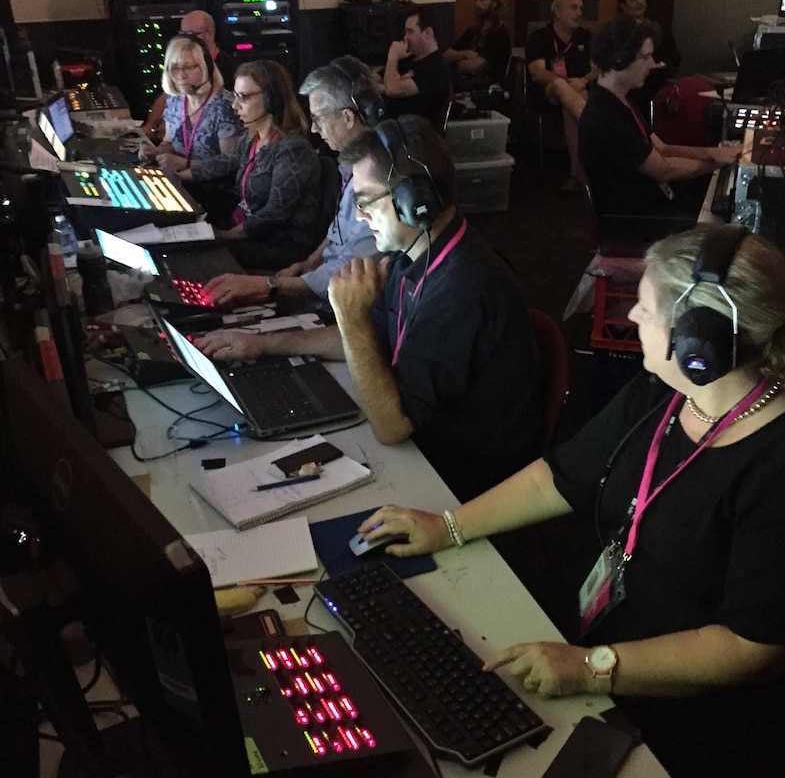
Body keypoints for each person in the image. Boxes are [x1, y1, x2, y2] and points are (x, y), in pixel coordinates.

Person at [355, 224, 785, 778]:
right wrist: (450, 526)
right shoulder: (670, 395)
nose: (631, 316)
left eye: (644, 308)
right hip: (600, 642)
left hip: (693, 713)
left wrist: (595, 668)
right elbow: (559, 477)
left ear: (698, 340)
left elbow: (752, 649)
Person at [198, 115, 544, 501]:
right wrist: (263, 344)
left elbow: (392, 427)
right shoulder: (413, 254)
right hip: (421, 443)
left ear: (416, 203)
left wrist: (349, 315)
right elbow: (371, 337)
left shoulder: (462, 288)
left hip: (463, 477)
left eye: (365, 201)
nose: (360, 217)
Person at [203, 56, 381, 309]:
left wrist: (269, 284)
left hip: (338, 300)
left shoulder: (377, 182)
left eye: (318, 118)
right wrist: (308, 264)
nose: (316, 130)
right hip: (315, 277)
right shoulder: (349, 166)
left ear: (348, 118)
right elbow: (336, 232)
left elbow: (348, 273)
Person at [578, 16, 741, 235]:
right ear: (619, 60)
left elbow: (662, 148)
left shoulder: (621, 100)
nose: (653, 63)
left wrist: (715, 152)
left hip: (647, 204)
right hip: (633, 221)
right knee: (728, 230)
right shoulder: (606, 116)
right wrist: (720, 164)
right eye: (645, 57)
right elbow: (664, 170)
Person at [176, 60, 327, 271]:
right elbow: (224, 162)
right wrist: (176, 177)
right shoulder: (253, 137)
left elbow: (274, 213)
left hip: (279, 245)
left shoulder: (293, 149)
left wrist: (225, 236)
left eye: (244, 97)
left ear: (272, 99)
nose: (235, 106)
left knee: (198, 253)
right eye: (235, 96)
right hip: (246, 229)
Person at [140, 33, 243, 175]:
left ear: (206, 67)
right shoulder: (175, 100)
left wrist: (184, 164)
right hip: (181, 182)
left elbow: (230, 165)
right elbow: (169, 142)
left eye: (188, 67)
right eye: (175, 68)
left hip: (214, 191)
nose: (181, 75)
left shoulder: (225, 107)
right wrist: (157, 152)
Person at [526, 0, 595, 191]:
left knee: (571, 103)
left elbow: (596, 69)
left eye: (581, 7)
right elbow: (537, 73)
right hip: (548, 93)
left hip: (580, 90)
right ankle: (595, 126)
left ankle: (577, 176)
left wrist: (582, 80)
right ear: (557, 12)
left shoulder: (585, 36)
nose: (579, 12)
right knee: (560, 87)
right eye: (573, 7)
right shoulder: (541, 37)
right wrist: (566, 83)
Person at [141, 10, 235, 145]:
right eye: (183, 34)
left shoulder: (227, 71)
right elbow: (167, 97)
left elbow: (228, 161)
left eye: (189, 67)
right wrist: (150, 128)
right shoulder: (175, 101)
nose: (186, 40)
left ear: (209, 34)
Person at [617, 0, 681, 116]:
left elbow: (674, 55)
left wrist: (660, 65)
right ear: (623, 6)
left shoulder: (659, 27)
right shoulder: (618, 30)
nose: (638, 1)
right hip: (630, 82)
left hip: (656, 78)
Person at [383, 7, 451, 127]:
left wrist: (392, 57)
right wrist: (394, 81)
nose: (405, 37)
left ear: (427, 33)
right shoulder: (409, 59)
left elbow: (392, 89)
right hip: (392, 128)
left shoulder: (435, 68)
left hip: (415, 135)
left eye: (410, 31)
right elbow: (383, 82)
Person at [443, 0, 511, 89]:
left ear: (494, 3)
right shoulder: (473, 31)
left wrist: (454, 63)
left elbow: (475, 65)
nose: (477, 4)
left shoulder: (499, 34)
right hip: (464, 82)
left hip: (487, 86)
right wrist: (465, 54)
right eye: (476, 0)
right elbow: (447, 54)